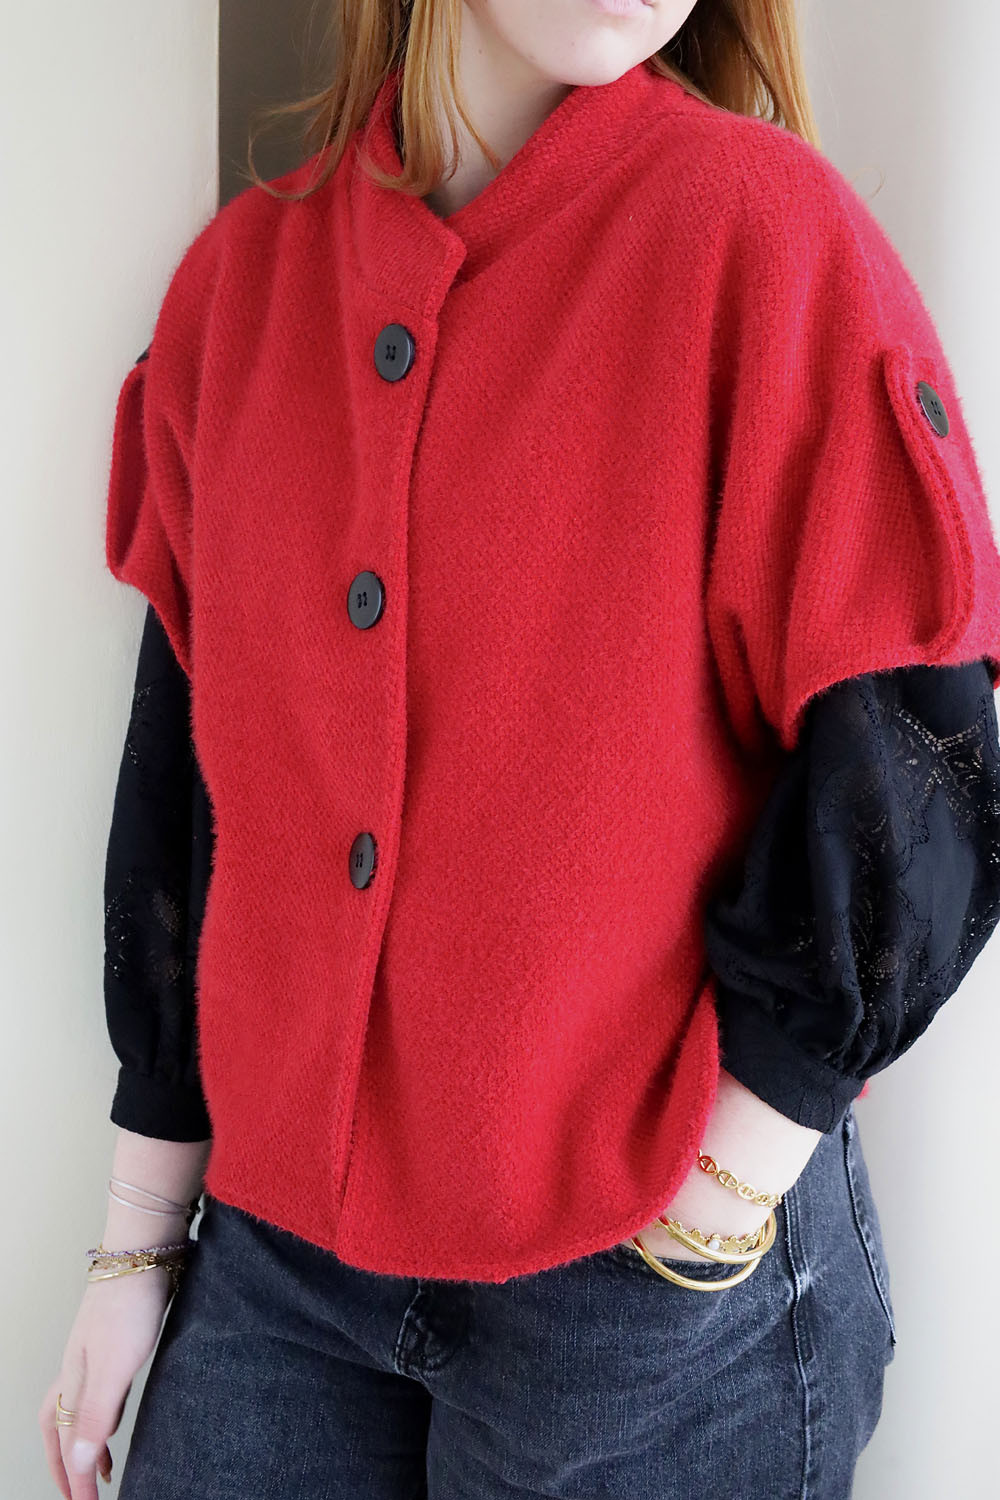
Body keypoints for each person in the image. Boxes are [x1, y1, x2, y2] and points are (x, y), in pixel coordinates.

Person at [40, 1, 1000, 1495]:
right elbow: (192, 787)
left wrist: (720, 1197)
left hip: (639, 1282)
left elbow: (918, 748)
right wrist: (137, 1239)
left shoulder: (755, 234)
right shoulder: (242, 290)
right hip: (282, 1266)